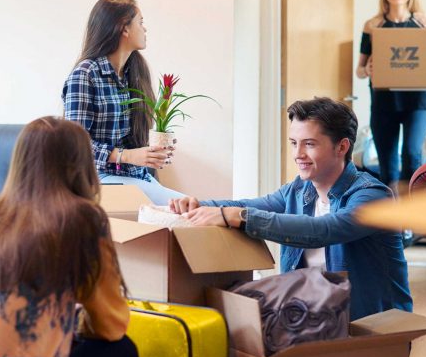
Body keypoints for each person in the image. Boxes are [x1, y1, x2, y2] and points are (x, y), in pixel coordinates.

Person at [0, 116, 139, 357]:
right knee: (121, 354)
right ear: (81, 168)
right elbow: (111, 325)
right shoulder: (82, 219)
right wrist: (72, 321)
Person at [170, 97, 411, 320]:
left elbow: (324, 230)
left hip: (372, 325)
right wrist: (198, 205)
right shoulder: (297, 191)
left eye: (309, 144)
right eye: (294, 143)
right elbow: (247, 205)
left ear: (342, 147)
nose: (298, 154)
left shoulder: (373, 196)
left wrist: (239, 217)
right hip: (315, 319)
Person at [63, 0, 184, 205]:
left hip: (134, 177)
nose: (145, 29)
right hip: (97, 180)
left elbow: (130, 140)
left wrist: (154, 150)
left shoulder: (135, 72)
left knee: (192, 208)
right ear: (124, 28)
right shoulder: (85, 74)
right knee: (190, 208)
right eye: (141, 22)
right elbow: (74, 146)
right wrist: (127, 156)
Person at [356, 0, 426, 196]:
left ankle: (412, 210)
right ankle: (392, 214)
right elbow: (359, 70)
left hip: (418, 103)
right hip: (384, 104)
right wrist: (367, 69)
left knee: (412, 155)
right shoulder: (373, 25)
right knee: (388, 166)